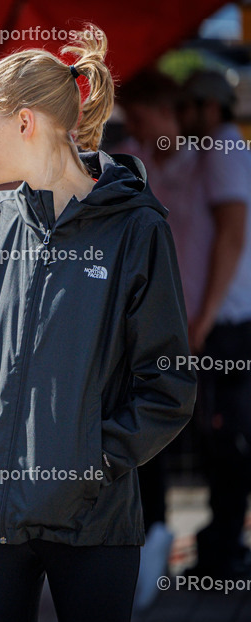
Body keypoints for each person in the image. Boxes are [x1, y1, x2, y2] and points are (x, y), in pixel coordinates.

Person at [0, 27, 196, 622]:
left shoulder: (137, 229)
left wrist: (93, 461)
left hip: (93, 521)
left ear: (25, 122)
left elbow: (167, 385)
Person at [115, 69, 193, 609]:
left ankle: (165, 539)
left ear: (168, 112)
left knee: (188, 429)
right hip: (149, 313)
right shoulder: (133, 163)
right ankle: (149, 539)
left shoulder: (207, 161)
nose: (136, 129)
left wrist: (204, 317)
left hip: (199, 316)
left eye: (141, 118)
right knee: (146, 430)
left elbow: (231, 237)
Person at [179, 70, 251, 580]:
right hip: (221, 320)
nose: (180, 118)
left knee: (225, 436)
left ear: (210, 107)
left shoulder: (223, 148)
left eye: (188, 107)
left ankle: (224, 551)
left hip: (227, 322)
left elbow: (231, 235)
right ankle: (222, 545)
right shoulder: (214, 151)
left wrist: (203, 317)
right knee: (217, 435)